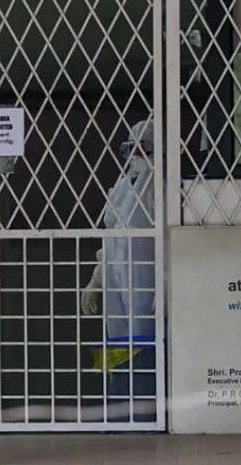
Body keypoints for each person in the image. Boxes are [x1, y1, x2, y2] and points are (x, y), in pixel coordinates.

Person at [80, 119, 156, 343]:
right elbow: (111, 238)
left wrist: (167, 284)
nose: (135, 154)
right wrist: (96, 279)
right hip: (117, 274)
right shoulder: (123, 185)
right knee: (119, 339)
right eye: (129, 148)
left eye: (143, 148)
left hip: (146, 274)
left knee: (147, 338)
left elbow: (173, 241)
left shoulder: (161, 185)